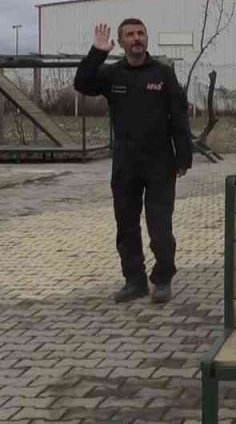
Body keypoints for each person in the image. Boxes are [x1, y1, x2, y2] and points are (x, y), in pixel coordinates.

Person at [74, 18, 192, 303]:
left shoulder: (163, 74)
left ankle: (163, 277)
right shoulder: (113, 74)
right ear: (122, 41)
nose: (136, 38)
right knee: (126, 226)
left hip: (160, 163)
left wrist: (184, 156)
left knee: (160, 227)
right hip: (126, 163)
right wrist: (97, 52)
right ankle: (134, 281)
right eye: (130, 34)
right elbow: (83, 83)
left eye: (141, 33)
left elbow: (179, 116)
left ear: (146, 38)